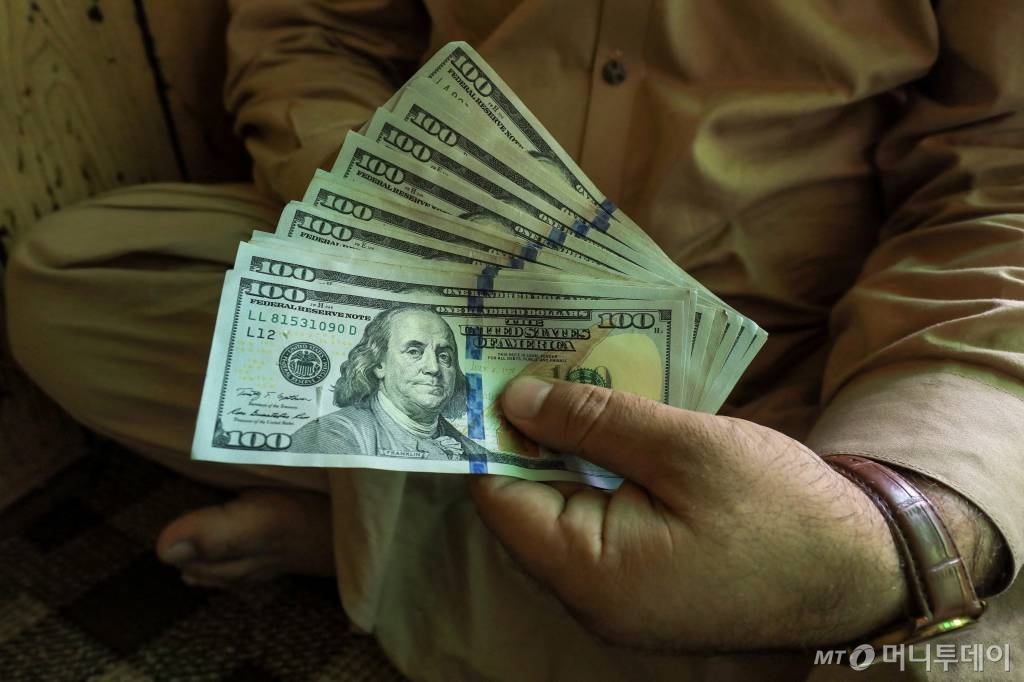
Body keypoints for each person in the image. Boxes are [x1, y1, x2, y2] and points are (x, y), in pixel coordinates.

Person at [4, 1, 1023, 680]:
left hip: (791, 361)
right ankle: (573, 579)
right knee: (76, 278)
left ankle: (370, 546)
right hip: (424, 289)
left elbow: (996, 180)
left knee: (947, 598)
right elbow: (311, 33)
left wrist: (891, 515)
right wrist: (388, 204)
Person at [288, 305, 488, 461]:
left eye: (444, 356)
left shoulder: (477, 454)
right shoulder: (332, 435)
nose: (434, 368)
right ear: (378, 364)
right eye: (414, 352)